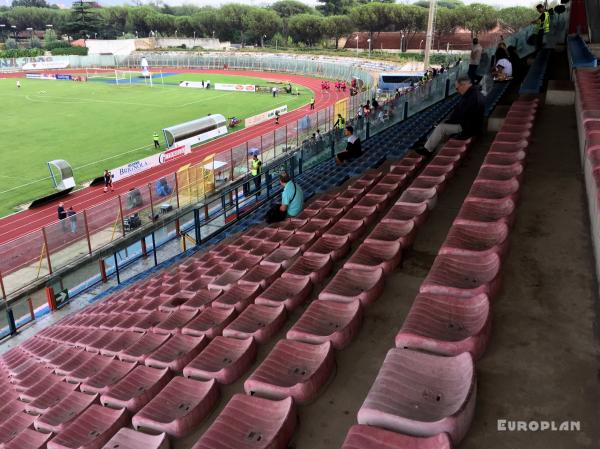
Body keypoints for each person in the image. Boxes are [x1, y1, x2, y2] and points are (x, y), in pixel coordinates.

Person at [415, 76, 485, 157]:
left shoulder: (470, 97)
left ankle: (427, 150)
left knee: (441, 127)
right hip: (472, 125)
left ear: (463, 85)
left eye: (457, 88)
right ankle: (426, 143)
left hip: (469, 128)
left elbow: (462, 115)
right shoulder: (474, 93)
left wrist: (448, 121)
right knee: (442, 124)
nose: (457, 91)